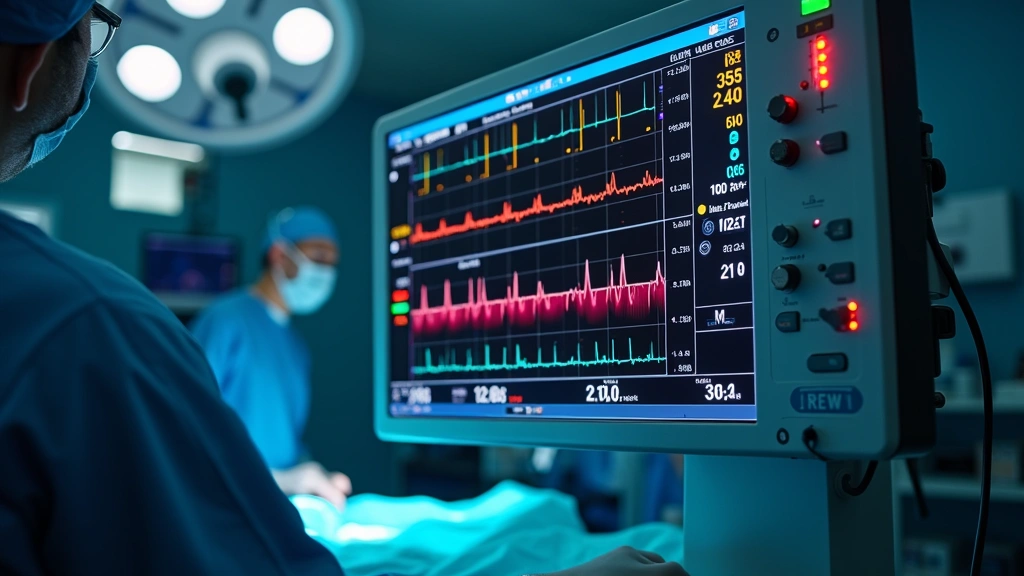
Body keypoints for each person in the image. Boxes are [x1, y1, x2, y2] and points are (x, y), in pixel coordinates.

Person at [0, 2, 687, 574]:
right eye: (92, 27)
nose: (324, 271)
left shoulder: (71, 315)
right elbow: (197, 496)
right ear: (29, 64)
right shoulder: (97, 325)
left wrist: (303, 478)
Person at [190, 207, 353, 508]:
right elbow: (187, 427)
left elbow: (284, 442)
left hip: (273, 507)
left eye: (333, 262)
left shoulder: (295, 346)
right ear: (279, 254)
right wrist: (279, 480)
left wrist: (310, 477)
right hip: (222, 504)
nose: (326, 272)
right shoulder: (225, 321)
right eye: (319, 256)